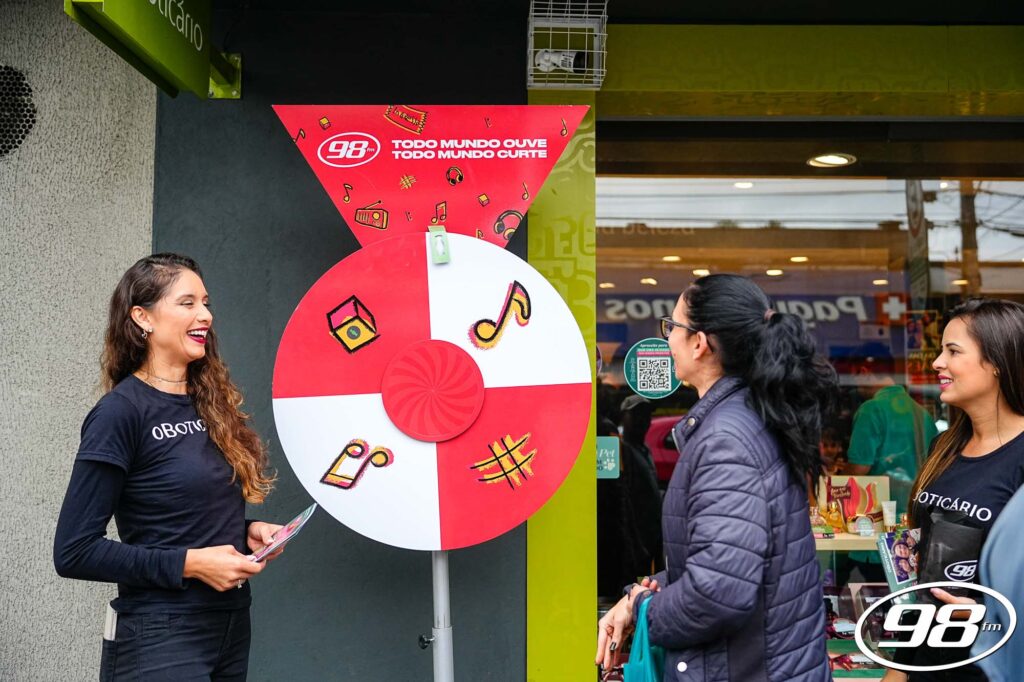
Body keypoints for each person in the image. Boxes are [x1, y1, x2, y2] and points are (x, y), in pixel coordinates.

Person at [54, 254, 284, 681]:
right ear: (143, 318)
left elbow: (176, 515)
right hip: (160, 634)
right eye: (187, 303)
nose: (206, 315)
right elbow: (74, 551)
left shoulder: (210, 404)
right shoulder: (120, 413)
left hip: (230, 625)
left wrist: (246, 531)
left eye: (206, 303)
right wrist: (190, 564)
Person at [595, 274, 837, 681]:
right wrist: (645, 591)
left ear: (700, 343)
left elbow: (717, 594)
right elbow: (724, 564)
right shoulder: (749, 417)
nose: (668, 339)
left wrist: (641, 609)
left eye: (672, 327)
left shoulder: (727, 439)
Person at [883, 298, 1024, 682]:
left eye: (953, 351)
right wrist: (900, 667)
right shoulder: (942, 449)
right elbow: (924, 583)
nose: (936, 362)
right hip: (925, 658)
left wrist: (984, 614)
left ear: (996, 362)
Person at [618, 394, 664, 575]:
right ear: (624, 417)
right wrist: (635, 543)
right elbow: (624, 498)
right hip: (635, 543)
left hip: (652, 537)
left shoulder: (645, 450)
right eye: (636, 415)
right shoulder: (622, 450)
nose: (643, 421)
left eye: (646, 416)